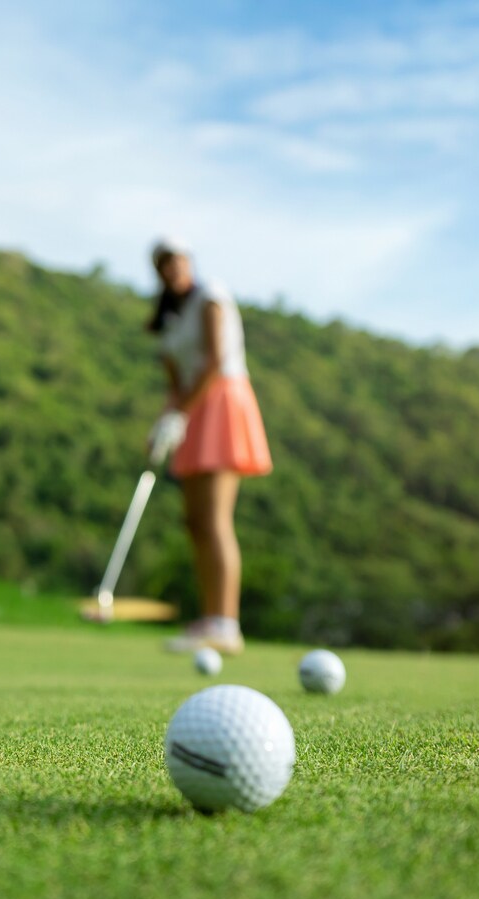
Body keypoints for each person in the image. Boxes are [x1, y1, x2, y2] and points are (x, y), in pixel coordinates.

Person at [145, 237, 272, 654]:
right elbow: (175, 385)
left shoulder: (211, 296)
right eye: (164, 264)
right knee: (195, 522)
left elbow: (216, 362)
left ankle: (226, 624)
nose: (172, 269)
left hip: (221, 401)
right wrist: (164, 420)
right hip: (190, 413)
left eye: (177, 261)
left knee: (216, 519)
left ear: (188, 263)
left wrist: (181, 414)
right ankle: (210, 619)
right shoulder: (169, 319)